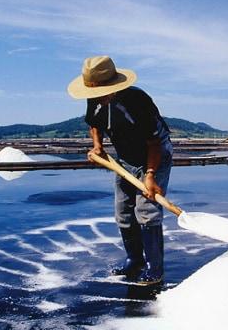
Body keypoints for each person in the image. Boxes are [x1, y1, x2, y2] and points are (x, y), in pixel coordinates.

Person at [67, 56, 173, 285]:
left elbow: (154, 143)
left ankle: (156, 269)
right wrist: (98, 147)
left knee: (147, 211)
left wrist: (151, 176)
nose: (98, 96)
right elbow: (93, 123)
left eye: (103, 92)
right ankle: (135, 260)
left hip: (154, 156)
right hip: (124, 159)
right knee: (123, 212)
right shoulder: (93, 97)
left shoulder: (138, 101)